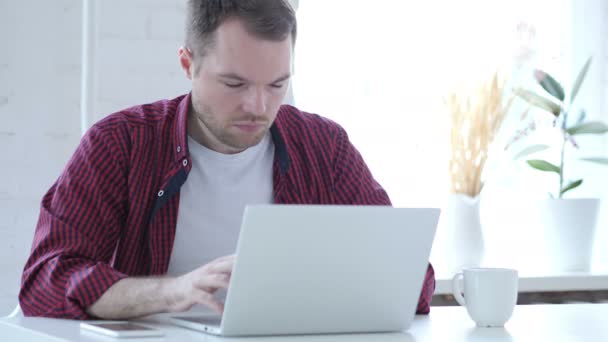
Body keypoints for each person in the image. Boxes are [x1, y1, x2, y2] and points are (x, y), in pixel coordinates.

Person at [19, 0, 435, 320]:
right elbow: (45, 281)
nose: (258, 106)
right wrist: (172, 292)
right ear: (188, 64)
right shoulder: (120, 144)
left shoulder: (324, 146)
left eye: (277, 84)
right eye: (234, 83)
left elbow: (412, 277)